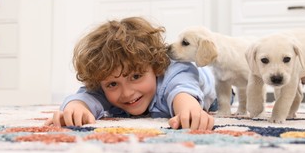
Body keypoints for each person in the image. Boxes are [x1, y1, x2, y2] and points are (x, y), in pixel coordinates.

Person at [45, 16, 217, 130]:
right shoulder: (107, 84)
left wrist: (189, 110)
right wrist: (76, 109)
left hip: (212, 84)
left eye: (136, 76)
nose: (127, 93)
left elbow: (182, 90)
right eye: (112, 84)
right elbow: (86, 96)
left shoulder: (174, 71)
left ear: (155, 66)